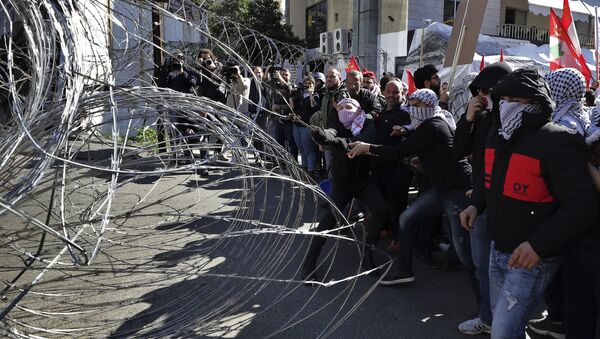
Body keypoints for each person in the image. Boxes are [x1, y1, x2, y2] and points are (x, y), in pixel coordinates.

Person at [460, 67, 598, 339]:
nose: (509, 107)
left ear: (538, 104)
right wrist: (476, 204)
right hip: (498, 250)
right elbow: (489, 181)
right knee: (509, 326)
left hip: (534, 258)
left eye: (520, 101)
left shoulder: (558, 140)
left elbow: (582, 205)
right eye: (505, 99)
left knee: (502, 332)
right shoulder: (496, 136)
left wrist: (539, 243)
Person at [348, 88, 474, 285]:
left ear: (430, 106)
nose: (413, 109)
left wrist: (368, 147)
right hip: (441, 188)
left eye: (418, 105)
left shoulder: (432, 126)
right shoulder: (433, 121)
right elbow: (431, 149)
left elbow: (399, 151)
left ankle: (485, 297)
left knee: (463, 249)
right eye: (412, 105)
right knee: (406, 219)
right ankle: (405, 271)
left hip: (456, 189)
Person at [452, 62, 512, 335]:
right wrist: (468, 119)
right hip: (479, 203)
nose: (484, 96)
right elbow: (460, 150)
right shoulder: (484, 117)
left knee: (505, 272)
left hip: (505, 205)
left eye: (490, 90)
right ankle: (487, 316)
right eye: (481, 91)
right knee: (481, 265)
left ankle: (506, 323)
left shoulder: (516, 121)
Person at [302, 98, 386, 282]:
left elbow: (365, 140)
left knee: (380, 210)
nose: (343, 110)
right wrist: (319, 135)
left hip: (364, 181)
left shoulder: (367, 122)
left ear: (358, 110)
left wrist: (338, 142)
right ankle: (309, 263)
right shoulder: (335, 122)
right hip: (342, 183)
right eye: (339, 107)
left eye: (348, 107)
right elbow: (330, 134)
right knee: (328, 222)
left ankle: (367, 254)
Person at [371, 80, 413, 255]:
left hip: (397, 170)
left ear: (402, 93)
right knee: (385, 204)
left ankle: (400, 241)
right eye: (388, 92)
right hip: (380, 168)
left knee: (397, 206)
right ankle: (390, 230)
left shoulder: (405, 114)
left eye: (395, 92)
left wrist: (404, 130)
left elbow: (411, 130)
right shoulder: (382, 112)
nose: (391, 95)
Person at [291, 76, 321, 178]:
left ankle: (310, 171)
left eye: (310, 83)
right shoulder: (299, 95)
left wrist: (311, 93)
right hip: (297, 125)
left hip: (307, 126)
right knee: (301, 149)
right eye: (306, 83)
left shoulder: (315, 96)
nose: (307, 85)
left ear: (313, 85)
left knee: (309, 150)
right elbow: (293, 107)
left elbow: (315, 107)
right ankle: (304, 168)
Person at [269, 67, 298, 160]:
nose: (284, 76)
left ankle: (293, 162)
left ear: (290, 76)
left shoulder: (292, 86)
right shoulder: (275, 86)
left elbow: (290, 91)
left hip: (288, 119)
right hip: (278, 119)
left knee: (292, 143)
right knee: (279, 142)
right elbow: (265, 83)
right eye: (282, 75)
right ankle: (281, 161)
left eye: (286, 75)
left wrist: (280, 79)